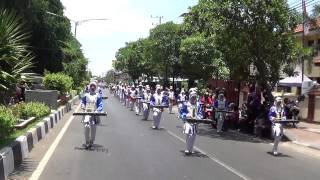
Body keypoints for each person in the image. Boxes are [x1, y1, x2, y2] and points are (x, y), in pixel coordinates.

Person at [80, 81, 103, 149]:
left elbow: (100, 105)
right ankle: (87, 141)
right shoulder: (86, 95)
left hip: (94, 114)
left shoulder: (98, 96)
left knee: (93, 128)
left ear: (95, 87)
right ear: (89, 87)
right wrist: (83, 106)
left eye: (94, 86)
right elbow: (82, 102)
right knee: (87, 126)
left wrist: (97, 110)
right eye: (91, 86)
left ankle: (91, 141)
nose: (92, 87)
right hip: (87, 113)